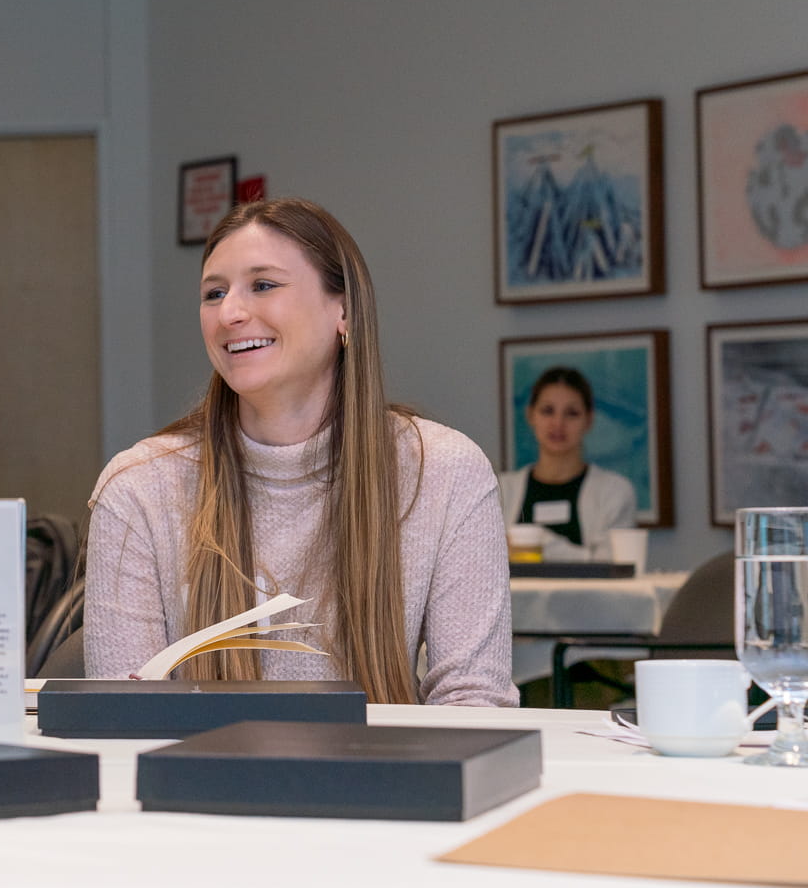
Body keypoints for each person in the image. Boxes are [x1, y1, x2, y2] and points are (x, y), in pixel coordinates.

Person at [85, 198, 513, 706]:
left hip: (382, 780)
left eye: (263, 285)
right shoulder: (138, 487)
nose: (230, 313)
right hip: (194, 782)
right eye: (213, 293)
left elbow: (474, 705)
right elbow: (120, 724)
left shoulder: (444, 471)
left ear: (344, 310)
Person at [497, 366, 637, 561]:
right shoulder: (501, 491)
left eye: (571, 413)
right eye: (547, 411)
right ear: (530, 416)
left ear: (589, 419)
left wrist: (543, 545)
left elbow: (609, 565)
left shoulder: (615, 491)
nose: (558, 423)